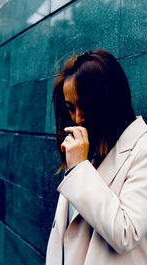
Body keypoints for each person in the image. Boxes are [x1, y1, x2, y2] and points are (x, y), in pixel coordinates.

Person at [46, 49, 147, 265]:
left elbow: (126, 233)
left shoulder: (142, 148)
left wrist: (79, 167)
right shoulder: (93, 146)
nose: (78, 118)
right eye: (70, 107)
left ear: (110, 100)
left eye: (86, 105)